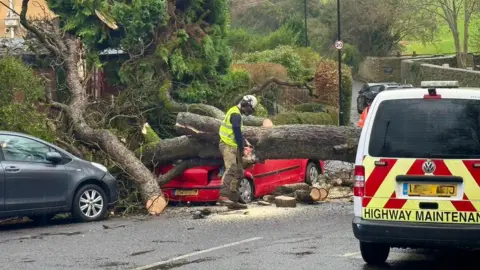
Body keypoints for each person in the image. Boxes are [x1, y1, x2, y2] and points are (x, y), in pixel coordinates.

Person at [218, 95, 258, 209]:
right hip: (227, 144)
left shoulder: (237, 113)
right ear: (246, 104)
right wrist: (242, 150)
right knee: (231, 168)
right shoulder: (235, 114)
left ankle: (233, 199)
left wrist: (246, 143)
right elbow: (236, 132)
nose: (249, 112)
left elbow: (239, 133)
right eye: (249, 109)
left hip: (233, 145)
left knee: (239, 172)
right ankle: (223, 195)